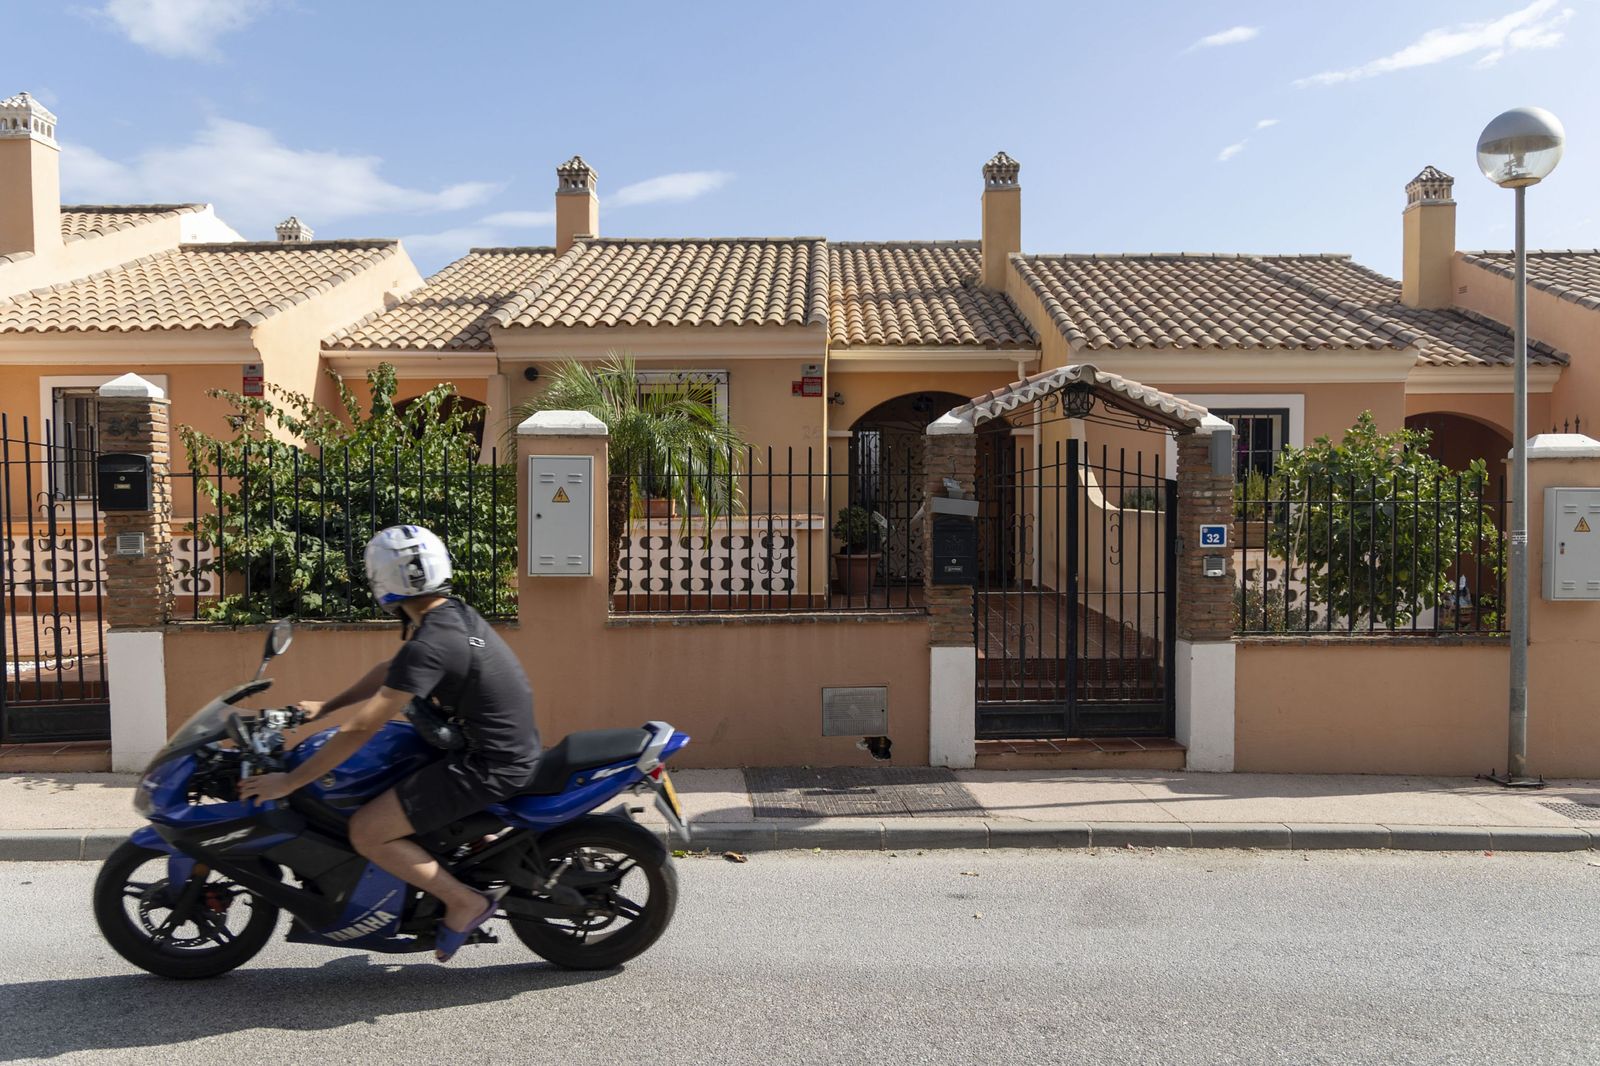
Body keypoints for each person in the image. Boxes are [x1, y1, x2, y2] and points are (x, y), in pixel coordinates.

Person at [239, 525, 541, 963]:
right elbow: (392, 669)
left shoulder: (433, 641)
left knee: (368, 830)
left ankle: (464, 901)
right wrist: (325, 706)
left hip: (488, 763)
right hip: (492, 747)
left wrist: (290, 782)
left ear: (381, 581)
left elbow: (362, 727)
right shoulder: (448, 615)